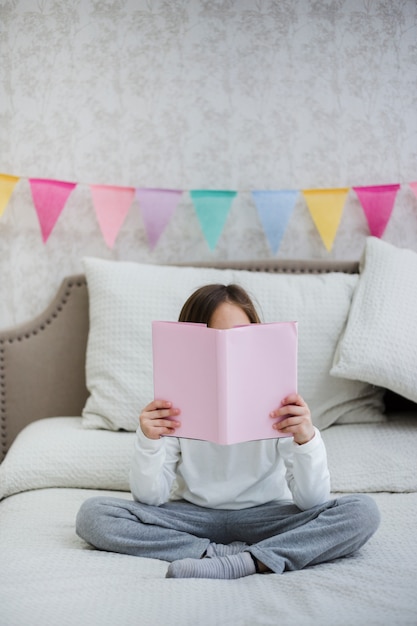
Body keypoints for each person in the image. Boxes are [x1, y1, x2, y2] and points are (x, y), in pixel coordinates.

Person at [76, 283, 380, 580]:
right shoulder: (173, 401)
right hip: (192, 517)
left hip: (265, 517)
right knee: (94, 515)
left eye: (238, 339)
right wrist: (150, 440)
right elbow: (150, 498)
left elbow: (312, 501)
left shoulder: (279, 400)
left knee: (362, 511)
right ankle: (210, 554)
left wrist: (306, 439)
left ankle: (248, 561)